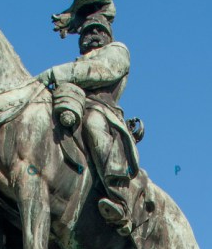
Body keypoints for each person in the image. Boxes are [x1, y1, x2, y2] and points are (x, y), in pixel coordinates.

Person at [37, 13, 139, 235]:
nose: (92, 35)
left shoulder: (117, 51)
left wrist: (55, 74)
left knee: (93, 124)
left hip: (102, 111)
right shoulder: (78, 61)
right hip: (72, 108)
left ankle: (119, 198)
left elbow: (100, 72)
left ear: (108, 36)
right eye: (87, 32)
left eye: (98, 30)